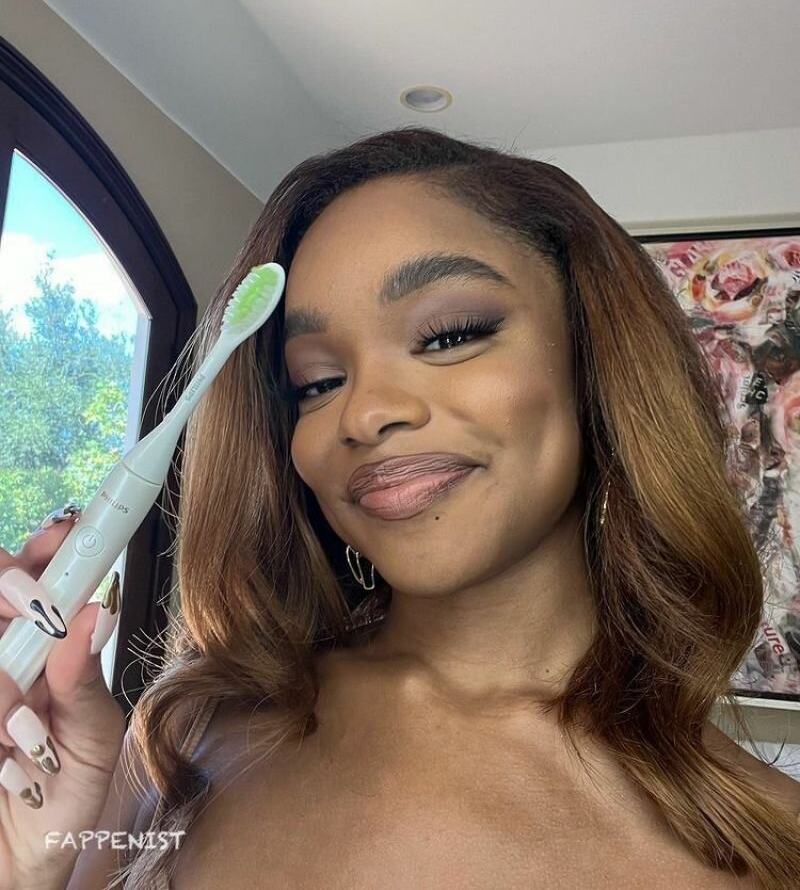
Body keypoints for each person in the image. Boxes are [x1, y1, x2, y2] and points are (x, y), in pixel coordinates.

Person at [0, 126, 798, 890]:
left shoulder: (776, 846)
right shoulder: (190, 732)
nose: (364, 413)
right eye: (317, 382)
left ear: (594, 358)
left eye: (450, 335)